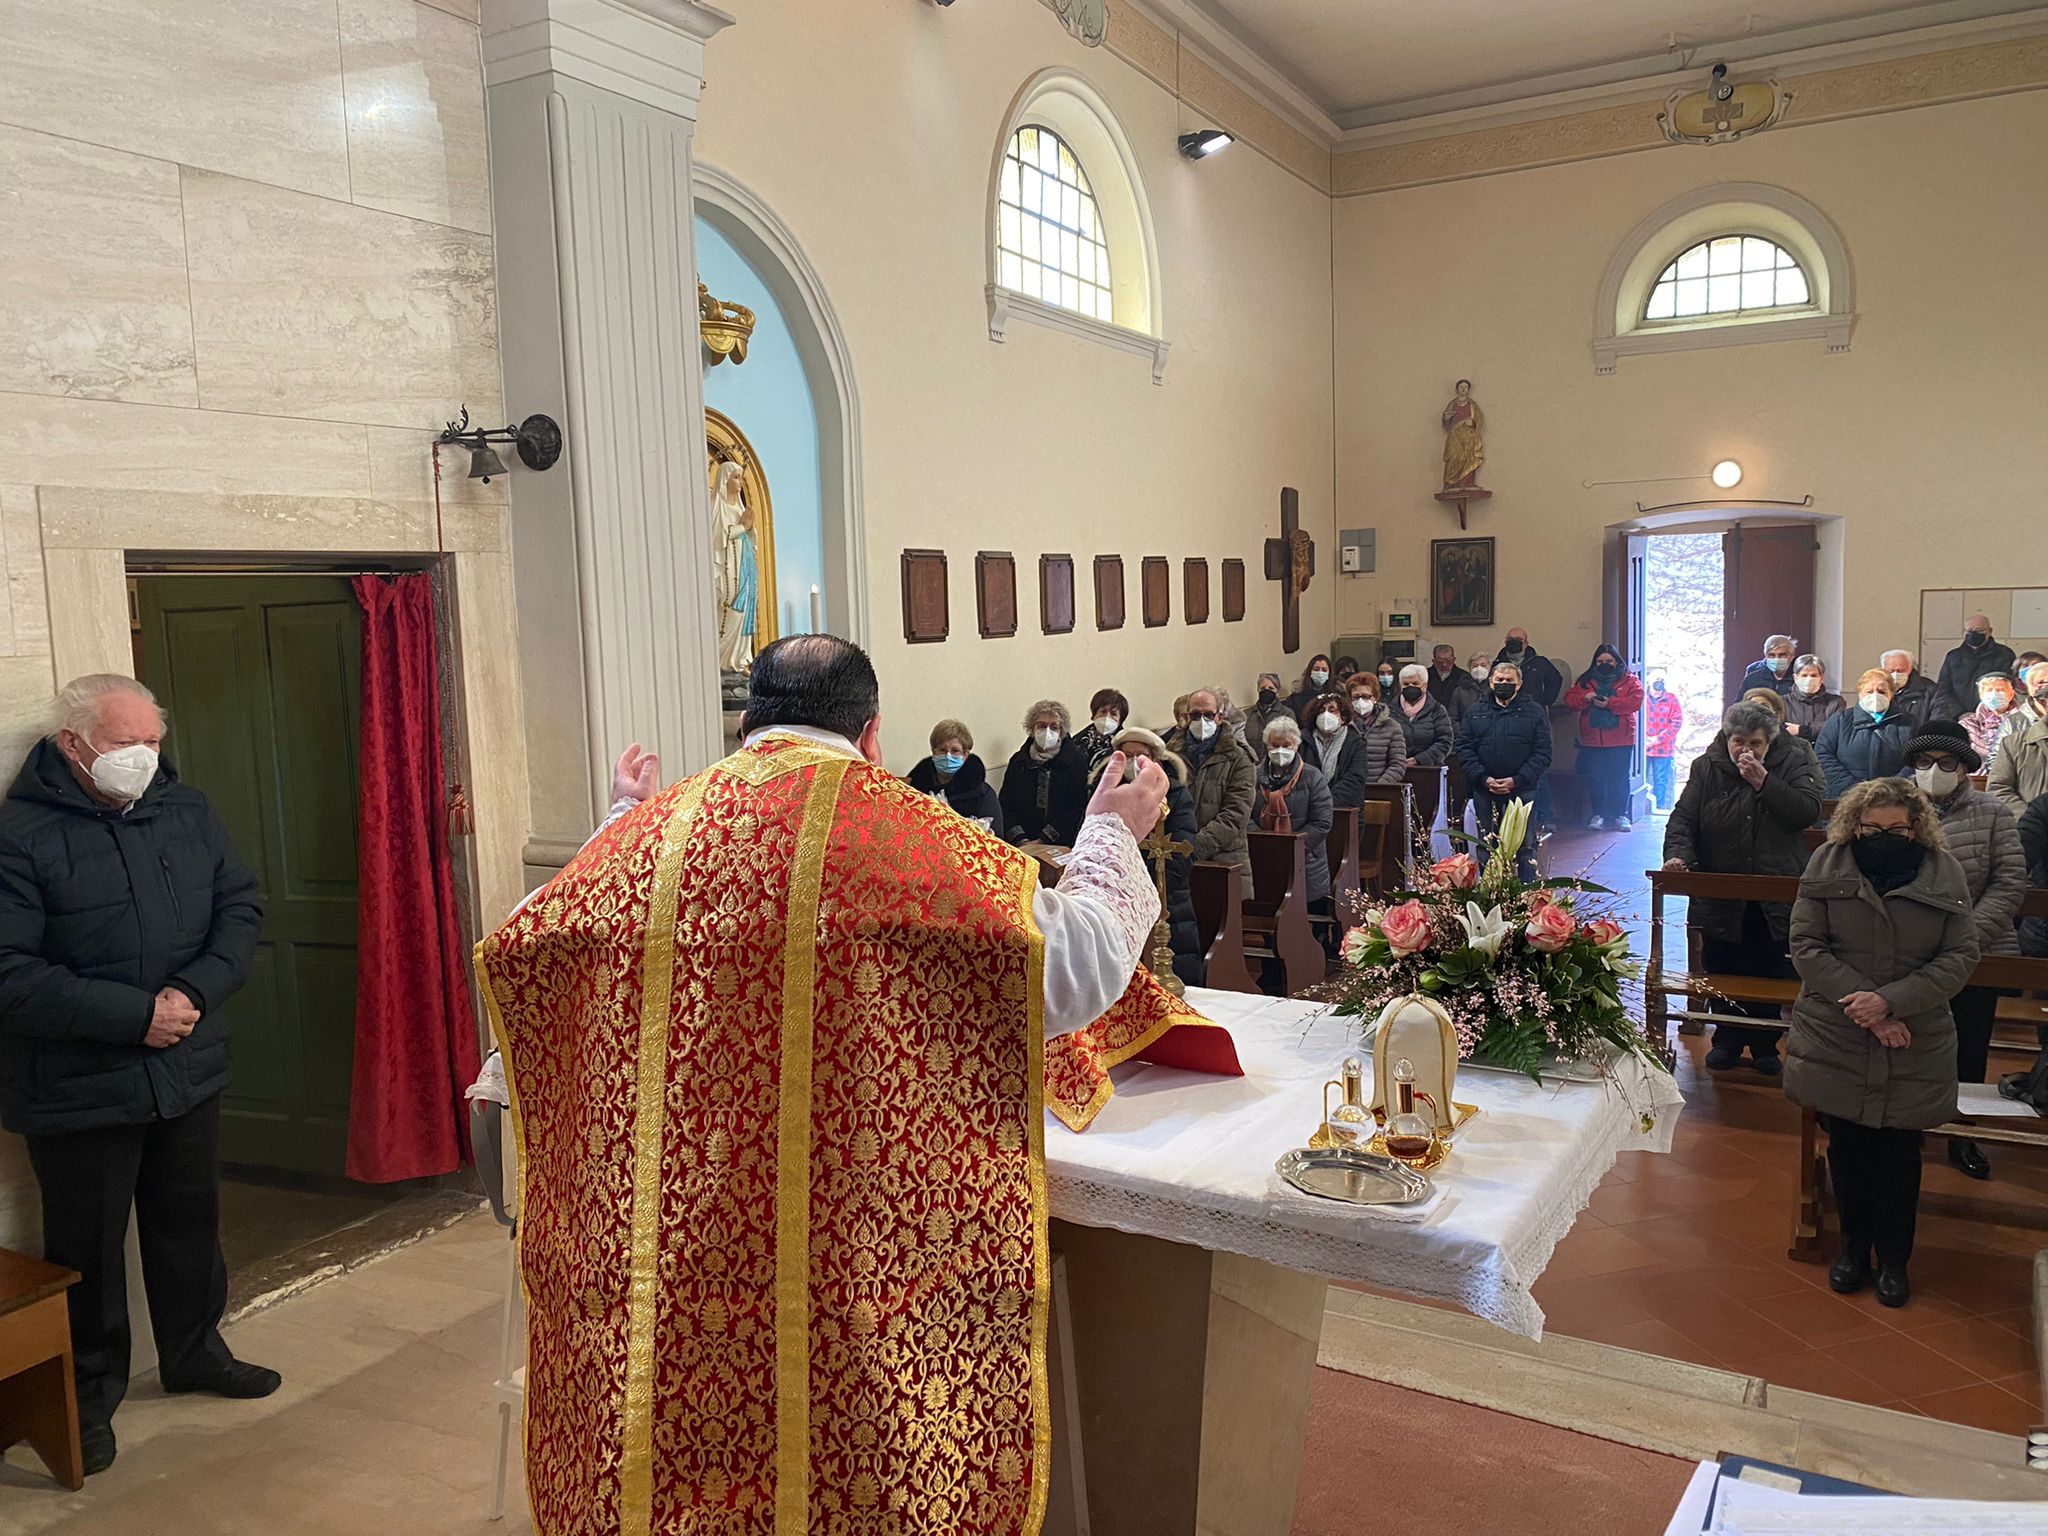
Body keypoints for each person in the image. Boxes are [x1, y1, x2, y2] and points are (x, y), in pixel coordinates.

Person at [477, 635, 1171, 1528]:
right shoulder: (915, 837)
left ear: (747, 724)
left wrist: (621, 825)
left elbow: (526, 949)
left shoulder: (658, 834)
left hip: (683, 1265)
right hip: (852, 1266)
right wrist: (1113, 833)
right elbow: (1074, 970)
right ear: (873, 733)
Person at [0, 675, 274, 1476]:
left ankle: (194, 1351)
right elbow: (8, 974)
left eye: (154, 741)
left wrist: (191, 993)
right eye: (127, 745)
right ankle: (86, 1397)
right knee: (85, 1245)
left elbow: (241, 910)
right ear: (73, 747)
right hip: (78, 1083)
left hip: (186, 1064)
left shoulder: (185, 810)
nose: (145, 758)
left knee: (189, 1219)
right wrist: (134, 1016)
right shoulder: (19, 836)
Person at [1784, 777, 1978, 1309]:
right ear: (1854, 825)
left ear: (1915, 826)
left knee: (1899, 1153)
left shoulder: (1944, 871)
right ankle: (1852, 1250)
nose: (1885, 836)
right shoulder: (1827, 863)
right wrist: (1868, 1009)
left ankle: (1895, 1261)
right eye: (1873, 828)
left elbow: (1959, 956)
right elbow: (1806, 944)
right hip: (1839, 1030)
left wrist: (1892, 1002)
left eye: (1897, 827)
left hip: (1914, 1033)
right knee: (1847, 1147)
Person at [1662, 699, 1827, 1075]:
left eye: (1754, 743)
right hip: (1721, 884)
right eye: (1738, 741)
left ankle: (1766, 1045)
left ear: (1769, 741)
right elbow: (1684, 819)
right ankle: (1728, 1039)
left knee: (1769, 964)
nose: (1745, 750)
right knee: (1721, 961)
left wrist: (1763, 781)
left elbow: (1806, 811)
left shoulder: (1797, 758)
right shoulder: (1707, 767)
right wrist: (1677, 855)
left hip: (1775, 884)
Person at [1900, 721, 2023, 1182]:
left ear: (1964, 766)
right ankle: (1907, 1126)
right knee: (1908, 1042)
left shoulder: (1992, 812)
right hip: (1908, 950)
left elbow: (2009, 881)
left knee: (1967, 1048)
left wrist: (1966, 935)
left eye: (1946, 762)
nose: (1934, 771)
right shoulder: (1892, 806)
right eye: (1923, 762)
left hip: (1976, 949)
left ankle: (1960, 1133)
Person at [1092, 725, 1202, 987]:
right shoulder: (1106, 794)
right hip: (1117, 897)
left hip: (1166, 897)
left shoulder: (1175, 794)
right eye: (1125, 756)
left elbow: (1183, 847)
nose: (1132, 763)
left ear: (1154, 760)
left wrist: (1147, 890)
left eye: (1139, 756)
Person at [1457, 661, 1551, 881]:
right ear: (1491, 682)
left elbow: (1542, 753)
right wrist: (1483, 778)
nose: (1504, 684)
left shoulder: (1534, 712)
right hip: (1484, 789)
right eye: (1499, 680)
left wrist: (1516, 780)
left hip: (1522, 790)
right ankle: (1491, 897)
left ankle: (1525, 897)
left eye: (1509, 681)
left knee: (1525, 847)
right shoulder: (1475, 711)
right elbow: (1464, 749)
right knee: (1486, 846)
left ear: (1519, 684)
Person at [1563, 643, 1644, 832]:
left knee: (1619, 778)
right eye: (1600, 661)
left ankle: (1620, 815)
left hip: (1621, 738)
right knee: (1596, 778)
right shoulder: (1586, 681)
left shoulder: (1630, 680)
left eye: (1608, 661)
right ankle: (1597, 814)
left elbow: (1635, 701)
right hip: (1593, 738)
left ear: (1617, 661)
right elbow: (1570, 700)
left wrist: (1610, 703)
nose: (1604, 664)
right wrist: (1586, 698)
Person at [1257, 715, 1334, 911]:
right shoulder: (1253, 776)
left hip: (1306, 859)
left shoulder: (1312, 777)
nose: (1280, 750)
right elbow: (1244, 814)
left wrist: (1291, 846)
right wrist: (1262, 842)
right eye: (1275, 745)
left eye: (1286, 745)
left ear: (1297, 746)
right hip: (1263, 856)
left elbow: (1322, 823)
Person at [1175, 688, 1256, 875]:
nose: (1201, 721)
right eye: (1195, 715)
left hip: (1224, 862)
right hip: (1178, 859)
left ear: (1220, 717)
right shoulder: (1171, 756)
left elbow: (1235, 815)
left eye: (1208, 715)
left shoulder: (1239, 758)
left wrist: (1193, 848)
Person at [1497, 628, 1561, 833]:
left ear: (1526, 642)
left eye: (1518, 640)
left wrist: (1545, 701)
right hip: (1505, 721)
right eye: (1511, 640)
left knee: (1538, 771)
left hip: (1535, 719)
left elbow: (1556, 679)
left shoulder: (1539, 662)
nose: (1514, 643)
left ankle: (1545, 815)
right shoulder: (1498, 663)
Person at [1000, 699, 1090, 846]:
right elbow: (1005, 805)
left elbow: (1076, 808)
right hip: (1020, 844)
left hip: (1060, 844)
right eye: (1041, 726)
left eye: (1054, 727)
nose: (1047, 731)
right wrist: (1021, 840)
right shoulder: (1018, 761)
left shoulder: (1075, 761)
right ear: (1031, 729)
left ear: (1062, 732)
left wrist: (1043, 840)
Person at [1815, 669, 1916, 797]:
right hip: (1845, 796)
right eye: (1869, 691)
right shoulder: (1841, 720)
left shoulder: (1909, 722)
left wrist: (1890, 788)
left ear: (1891, 694)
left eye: (1882, 692)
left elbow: (1915, 760)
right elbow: (1823, 754)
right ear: (1860, 693)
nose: (1875, 696)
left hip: (1894, 797)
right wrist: (1854, 789)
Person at [1394, 664, 1454, 849]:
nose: (1410, 687)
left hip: (1427, 774)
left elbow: (1445, 741)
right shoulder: (1389, 710)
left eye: (1415, 683)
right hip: (1397, 773)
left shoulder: (1437, 710)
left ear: (1425, 686)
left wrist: (1419, 759)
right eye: (1406, 684)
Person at [904, 718, 1001, 827]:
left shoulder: (981, 793)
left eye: (955, 751)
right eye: (942, 750)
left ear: (965, 755)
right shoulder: (914, 787)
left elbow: (996, 838)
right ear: (933, 751)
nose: (948, 756)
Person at [1932, 613, 2018, 721]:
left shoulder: (2004, 655)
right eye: (1969, 631)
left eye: (1979, 630)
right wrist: (1960, 712)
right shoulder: (1954, 656)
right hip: (1957, 718)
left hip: (1993, 717)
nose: (1973, 634)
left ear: (1990, 631)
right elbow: (1943, 688)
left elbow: (2010, 686)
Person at [1989, 662, 2048, 815]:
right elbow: (1999, 788)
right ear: (2043, 703)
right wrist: (2031, 819)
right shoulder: (2013, 744)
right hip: (2029, 831)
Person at [1443, 650, 1491, 835]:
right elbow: (1452, 717)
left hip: (1488, 745)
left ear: (1490, 667)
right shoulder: (1460, 690)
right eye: (1475, 665)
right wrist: (1464, 735)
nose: (1479, 669)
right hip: (1465, 746)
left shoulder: (1494, 689)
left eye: (1483, 665)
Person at [1303, 691, 1368, 810]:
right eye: (1321, 711)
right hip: (1308, 809)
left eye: (1332, 710)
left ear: (1343, 718)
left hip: (1345, 809)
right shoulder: (1303, 741)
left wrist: (1327, 802)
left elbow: (1355, 778)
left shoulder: (1356, 743)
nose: (1326, 714)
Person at [1342, 673, 1409, 786]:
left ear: (1375, 698)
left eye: (1366, 696)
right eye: (1356, 697)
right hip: (1348, 790)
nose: (1361, 701)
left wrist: (1380, 786)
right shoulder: (1342, 726)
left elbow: (1398, 764)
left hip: (1379, 789)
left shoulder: (1392, 727)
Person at [1961, 670, 2025, 766]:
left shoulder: (2025, 721)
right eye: (1989, 690)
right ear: (1981, 695)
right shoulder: (1968, 723)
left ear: (2011, 694)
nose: (1994, 694)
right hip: (1979, 777)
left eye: (2000, 690)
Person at [1645, 669, 1684, 812]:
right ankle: (1640, 809)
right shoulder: (1642, 698)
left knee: (1660, 782)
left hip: (1663, 749)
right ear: (1649, 681)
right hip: (1643, 749)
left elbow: (1676, 723)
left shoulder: (1672, 699)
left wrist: (1656, 740)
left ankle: (1659, 808)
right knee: (1641, 781)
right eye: (1656, 679)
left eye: (1662, 680)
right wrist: (1644, 741)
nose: (1658, 682)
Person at [1783, 655, 1845, 739]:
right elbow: (1780, 730)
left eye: (1813, 675)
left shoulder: (1836, 702)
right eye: (1804, 675)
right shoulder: (1783, 702)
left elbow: (1836, 728)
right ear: (1795, 678)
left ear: (1821, 678)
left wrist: (1802, 730)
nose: (1808, 679)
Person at [1071, 688, 1130, 771]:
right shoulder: (1076, 741)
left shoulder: (1125, 745)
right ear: (1094, 715)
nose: (1107, 717)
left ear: (1120, 720)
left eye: (1113, 714)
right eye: (1103, 711)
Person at [1879, 649, 1937, 731]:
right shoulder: (1875, 690)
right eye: (1890, 671)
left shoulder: (1930, 690)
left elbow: (1939, 721)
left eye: (1901, 671)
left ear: (1910, 668)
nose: (1895, 674)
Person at [1285, 654, 1334, 723]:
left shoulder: (1336, 694)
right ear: (1309, 672)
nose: (1320, 673)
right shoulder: (1296, 697)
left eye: (1324, 670)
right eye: (1316, 669)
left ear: (1329, 673)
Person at [1248, 673, 1290, 738]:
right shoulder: (1247, 714)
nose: (1266, 691)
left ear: (1277, 692)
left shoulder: (1287, 714)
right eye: (1262, 688)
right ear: (1258, 690)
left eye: (1271, 688)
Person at [1425, 643, 1464, 713]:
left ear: (1454, 659)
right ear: (1433, 661)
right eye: (1440, 662)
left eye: (1448, 661)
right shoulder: (1425, 676)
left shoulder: (1463, 677)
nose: (1444, 664)